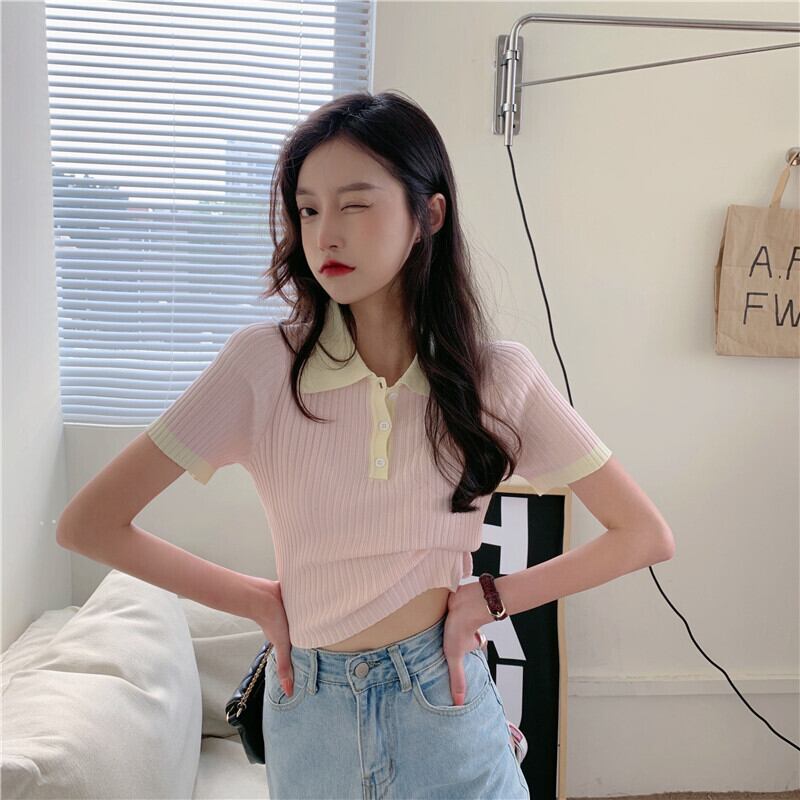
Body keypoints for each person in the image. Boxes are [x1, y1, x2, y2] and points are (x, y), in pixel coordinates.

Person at [57, 90, 674, 799]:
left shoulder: (495, 375)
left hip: (443, 701)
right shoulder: (262, 367)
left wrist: (491, 598)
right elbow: (89, 524)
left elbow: (643, 534)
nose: (325, 235)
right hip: (310, 708)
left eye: (354, 204)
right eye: (308, 210)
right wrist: (257, 601)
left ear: (427, 216)